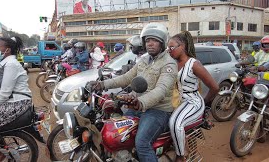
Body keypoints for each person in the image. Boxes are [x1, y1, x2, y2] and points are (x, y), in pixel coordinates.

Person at [87, 23, 177, 161]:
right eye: (147, 40)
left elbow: (161, 90)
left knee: (141, 144)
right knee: (119, 136)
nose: (150, 44)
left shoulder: (169, 64)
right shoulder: (144, 60)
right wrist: (102, 84)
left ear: (162, 43)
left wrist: (140, 103)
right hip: (136, 107)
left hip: (157, 111)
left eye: (154, 40)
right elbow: (126, 78)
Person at [167, 31, 219, 161]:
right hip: (177, 101)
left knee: (175, 123)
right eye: (168, 48)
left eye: (171, 47)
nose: (169, 50)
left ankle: (180, 156)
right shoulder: (173, 62)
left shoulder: (194, 64)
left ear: (182, 47)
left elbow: (215, 87)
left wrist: (205, 102)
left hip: (192, 102)